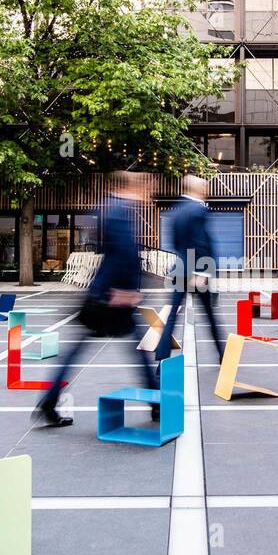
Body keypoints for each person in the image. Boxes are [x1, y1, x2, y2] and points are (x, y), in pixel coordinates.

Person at [35, 171, 157, 428]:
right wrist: (126, 290)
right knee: (136, 349)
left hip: (103, 292)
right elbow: (124, 253)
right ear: (130, 188)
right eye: (143, 188)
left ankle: (49, 401)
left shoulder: (107, 206)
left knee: (80, 349)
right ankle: (156, 403)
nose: (146, 194)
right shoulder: (120, 210)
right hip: (112, 295)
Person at [156, 175, 226, 362]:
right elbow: (201, 242)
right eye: (205, 186)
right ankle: (223, 354)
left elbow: (174, 242)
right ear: (198, 189)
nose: (207, 190)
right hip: (196, 271)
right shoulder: (198, 210)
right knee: (210, 315)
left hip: (180, 268)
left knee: (172, 316)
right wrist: (202, 272)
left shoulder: (177, 210)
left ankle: (162, 358)